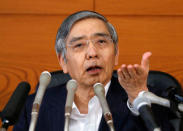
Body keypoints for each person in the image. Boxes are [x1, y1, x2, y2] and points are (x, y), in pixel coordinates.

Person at [13, 10, 175, 131]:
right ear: (63, 61)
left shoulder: (146, 100)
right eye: (79, 45)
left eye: (101, 42)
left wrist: (138, 101)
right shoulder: (36, 106)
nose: (92, 53)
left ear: (116, 54)